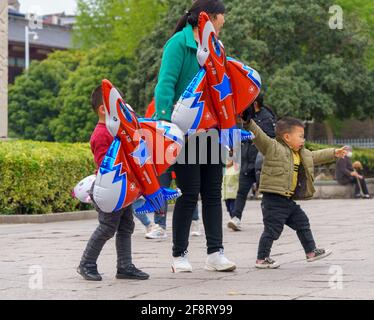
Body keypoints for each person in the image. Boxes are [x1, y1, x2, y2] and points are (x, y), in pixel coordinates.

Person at [154, 0, 236, 273]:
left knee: (213, 192)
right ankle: (179, 255)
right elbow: (165, 84)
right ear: (210, 17)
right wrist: (165, 126)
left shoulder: (218, 47)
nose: (224, 22)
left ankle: (216, 253)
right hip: (185, 130)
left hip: (212, 130)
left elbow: (224, 88)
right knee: (189, 194)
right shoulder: (178, 44)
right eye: (222, 17)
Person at [244, 116, 348, 269]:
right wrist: (248, 122)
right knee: (272, 230)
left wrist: (333, 153)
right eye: (300, 136)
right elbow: (259, 136)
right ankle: (262, 258)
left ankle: (311, 252)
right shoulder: (273, 148)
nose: (303, 140)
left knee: (302, 222)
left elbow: (315, 156)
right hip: (273, 199)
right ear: (287, 137)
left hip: (287, 200)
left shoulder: (301, 153)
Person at [77, 85, 149, 281]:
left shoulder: (115, 130)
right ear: (103, 109)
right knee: (107, 227)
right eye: (118, 105)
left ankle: (125, 266)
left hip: (122, 189)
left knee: (126, 226)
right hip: (109, 190)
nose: (123, 108)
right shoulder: (101, 134)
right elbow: (104, 164)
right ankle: (86, 263)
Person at [227, 95, 276, 231]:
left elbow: (270, 139)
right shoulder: (246, 116)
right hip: (247, 161)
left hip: (261, 163)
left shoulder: (266, 117)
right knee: (241, 191)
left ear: (254, 103)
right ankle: (236, 218)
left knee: (266, 194)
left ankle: (271, 220)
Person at [222, 153, 239, 218]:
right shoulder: (225, 168)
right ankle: (233, 218)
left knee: (232, 208)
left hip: (233, 192)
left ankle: (234, 219)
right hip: (226, 194)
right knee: (228, 208)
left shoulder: (236, 166)